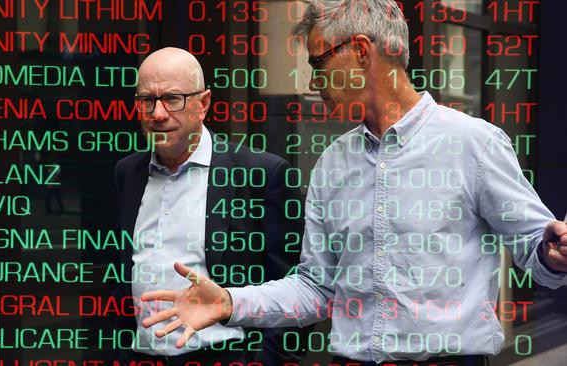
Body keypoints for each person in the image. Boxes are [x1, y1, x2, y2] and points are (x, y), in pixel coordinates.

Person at [140, 2, 567, 365]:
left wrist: (555, 252)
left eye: (318, 63)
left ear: (360, 51)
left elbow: (536, 246)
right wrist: (231, 304)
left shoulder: (472, 144)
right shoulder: (333, 162)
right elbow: (315, 287)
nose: (312, 81)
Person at [113, 47, 308, 365]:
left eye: (173, 99)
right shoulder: (128, 173)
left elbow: (296, 285)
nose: (158, 114)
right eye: (147, 100)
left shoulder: (260, 175)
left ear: (203, 104)